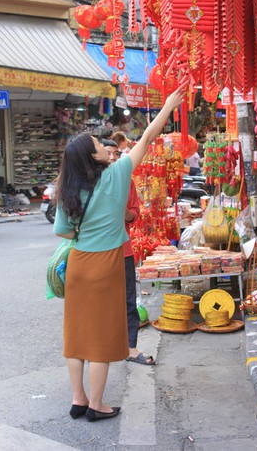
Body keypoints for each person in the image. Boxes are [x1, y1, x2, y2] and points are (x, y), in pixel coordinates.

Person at [53, 87, 185, 422]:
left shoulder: (68, 188)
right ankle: (97, 405)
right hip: (108, 261)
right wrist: (168, 106)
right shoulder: (116, 175)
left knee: (76, 334)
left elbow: (64, 232)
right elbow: (149, 136)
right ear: (94, 157)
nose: (104, 146)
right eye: (98, 145)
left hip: (79, 263)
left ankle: (78, 399)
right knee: (101, 339)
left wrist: (85, 232)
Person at [101, 139, 155, 366]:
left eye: (117, 153)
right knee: (99, 301)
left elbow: (135, 214)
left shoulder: (126, 181)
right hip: (96, 252)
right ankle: (99, 346)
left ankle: (130, 347)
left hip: (122, 250)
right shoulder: (90, 182)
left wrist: (122, 211)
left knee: (127, 301)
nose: (113, 157)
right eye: (108, 153)